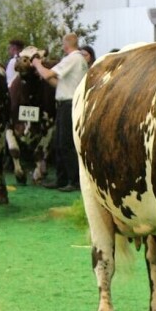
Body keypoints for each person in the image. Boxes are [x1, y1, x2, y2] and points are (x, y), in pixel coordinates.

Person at [32, 32, 88, 192]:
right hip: (69, 103)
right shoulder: (80, 60)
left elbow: (48, 74)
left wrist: (37, 64)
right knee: (59, 142)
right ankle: (62, 178)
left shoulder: (72, 59)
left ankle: (74, 181)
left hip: (68, 105)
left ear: (66, 44)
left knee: (66, 143)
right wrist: (42, 71)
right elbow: (59, 84)